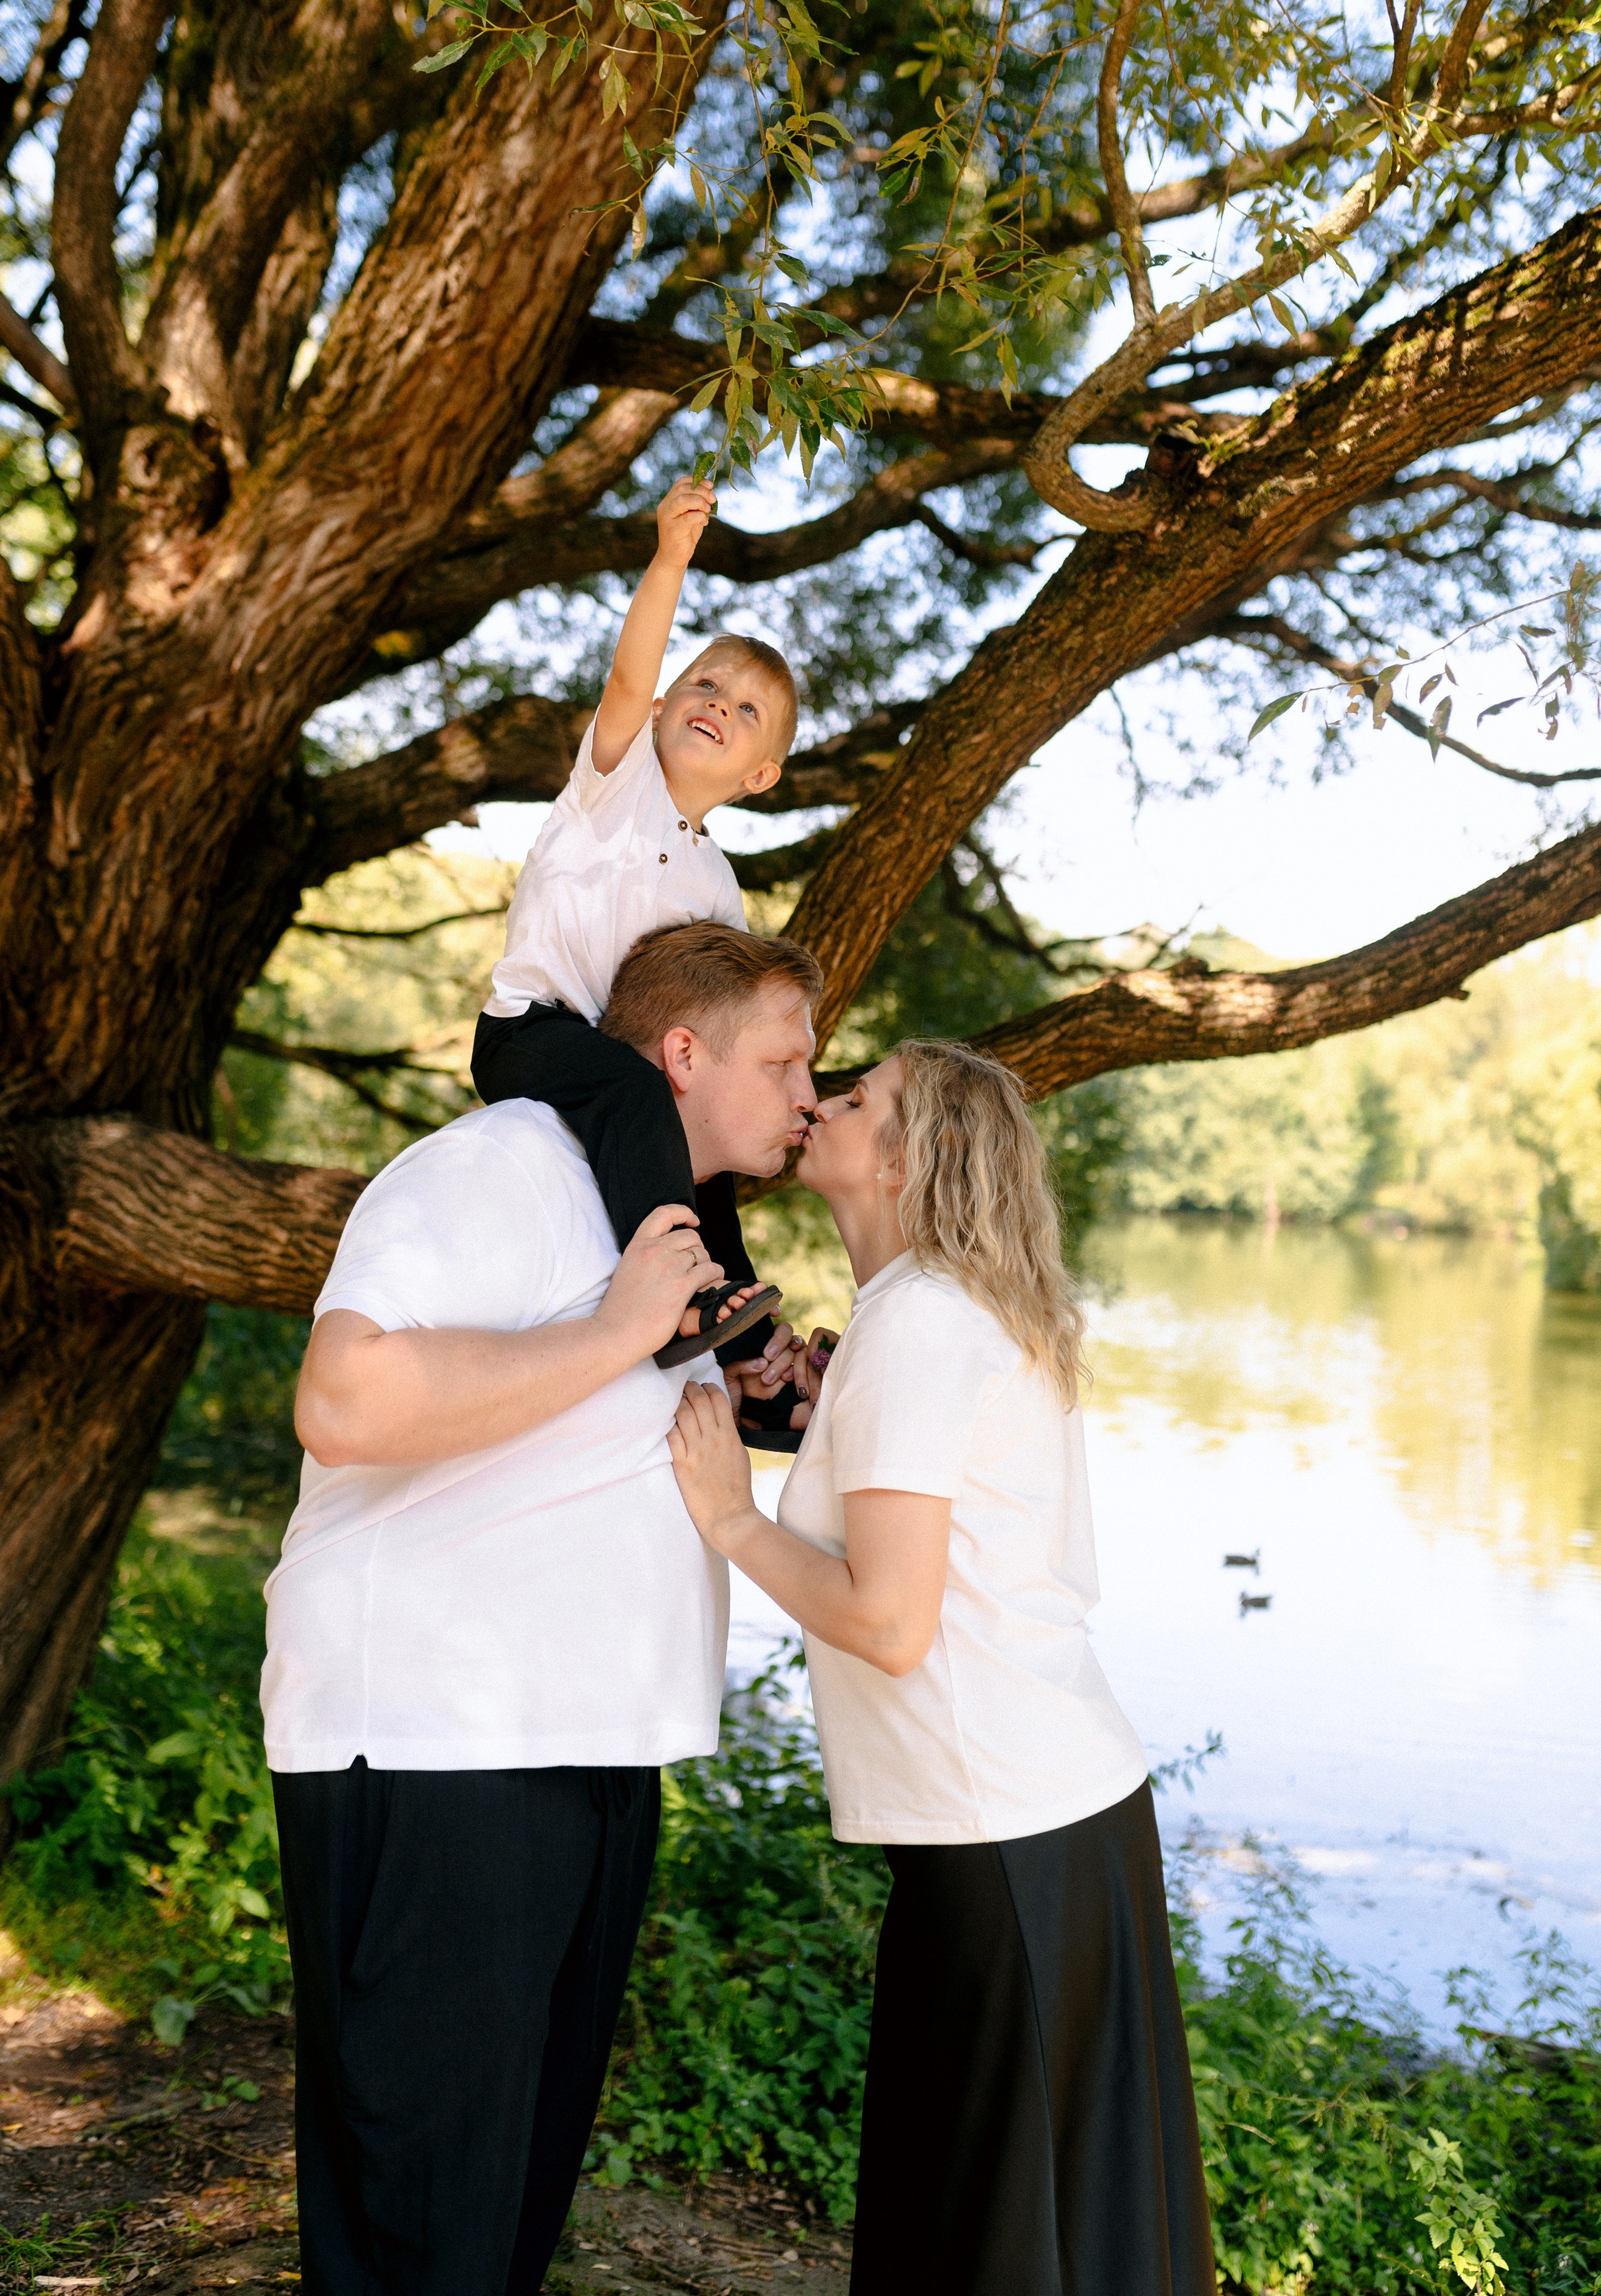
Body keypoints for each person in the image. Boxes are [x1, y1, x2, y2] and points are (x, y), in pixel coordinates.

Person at [268, 921, 822, 2296]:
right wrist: (615, 1333)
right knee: (422, 2217)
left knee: (504, 2212)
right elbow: (346, 1400)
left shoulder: (668, 1230)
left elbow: (571, 1428)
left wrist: (733, 1392)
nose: (810, 1090)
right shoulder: (506, 1164)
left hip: (585, 1747)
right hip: (437, 1747)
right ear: (679, 1054)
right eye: (785, 1058)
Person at [669, 1041, 1217, 2296]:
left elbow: (892, 1621)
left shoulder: (917, 1324)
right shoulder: (935, 1312)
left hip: (1004, 1828)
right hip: (1051, 1812)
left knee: (993, 2229)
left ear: (911, 1157)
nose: (819, 1101)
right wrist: (820, 1419)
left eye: (855, 1098)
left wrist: (733, 1516)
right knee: (1047, 2215)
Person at [472, 472, 802, 1375]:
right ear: (662, 707)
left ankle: (754, 1364)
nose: (717, 705)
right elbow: (628, 672)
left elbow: (713, 1023)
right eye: (707, 683)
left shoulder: (718, 888)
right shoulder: (613, 788)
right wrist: (670, 557)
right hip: (532, 1036)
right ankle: (682, 1299)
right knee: (633, 1090)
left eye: (747, 712)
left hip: (628, 1056)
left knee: (707, 1142)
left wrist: (767, 1097)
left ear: (760, 777)